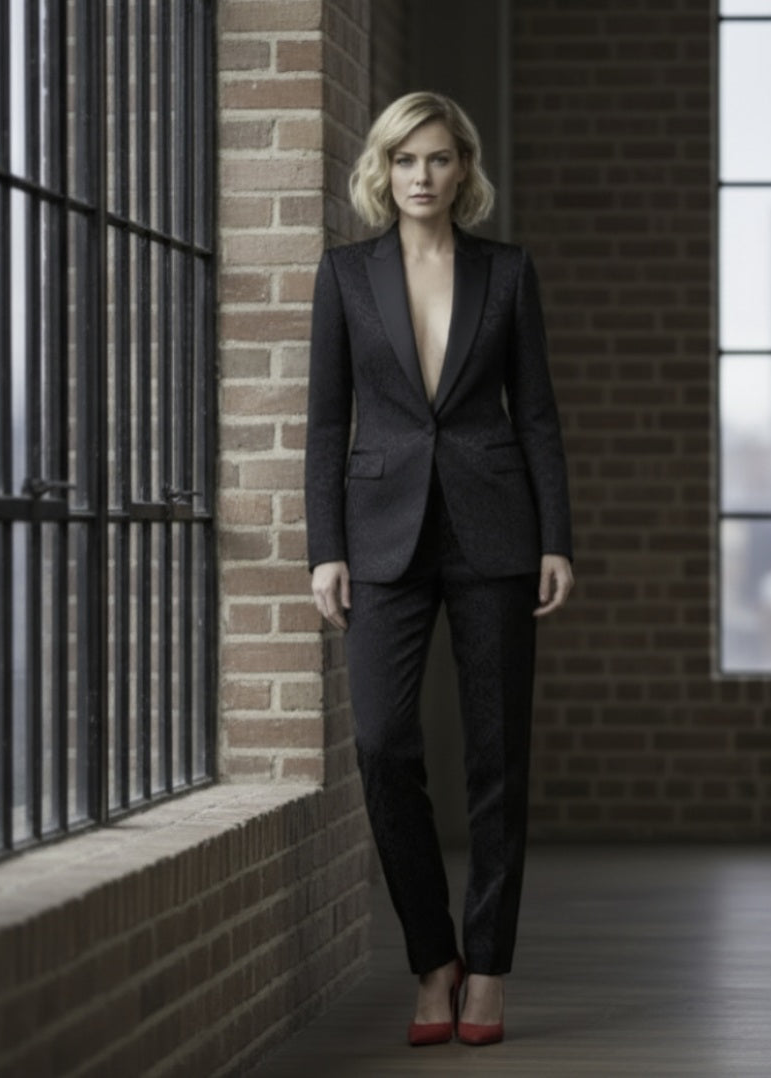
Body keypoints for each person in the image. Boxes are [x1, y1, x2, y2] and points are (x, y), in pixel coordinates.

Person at [304, 90, 574, 1048]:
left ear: (465, 171)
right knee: (381, 744)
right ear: (384, 169)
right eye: (406, 160)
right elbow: (328, 421)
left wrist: (557, 538)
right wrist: (323, 547)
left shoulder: (506, 274)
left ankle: (489, 967)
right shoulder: (344, 275)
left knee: (499, 757)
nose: (422, 176)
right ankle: (434, 958)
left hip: (494, 529)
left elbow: (534, 411)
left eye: (440, 159)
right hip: (379, 536)